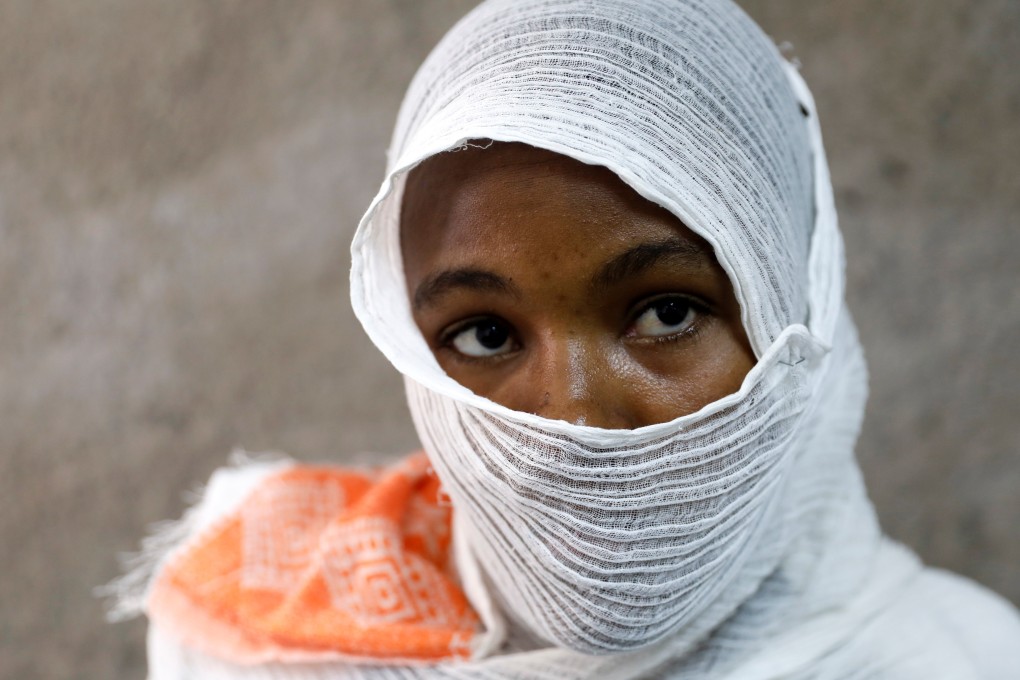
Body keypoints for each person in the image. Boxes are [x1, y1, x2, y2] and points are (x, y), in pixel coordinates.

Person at [108, 0, 1020, 677]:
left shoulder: (960, 662)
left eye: (667, 313)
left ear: (803, 306)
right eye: (484, 334)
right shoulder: (255, 649)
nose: (571, 415)